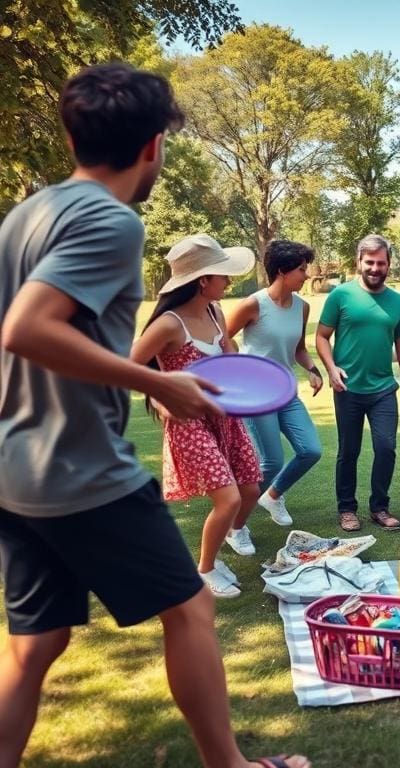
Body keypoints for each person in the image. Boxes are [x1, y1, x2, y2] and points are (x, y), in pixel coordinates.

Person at [0, 63, 309, 768]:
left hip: (13, 465)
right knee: (192, 608)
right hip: (77, 466)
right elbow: (25, 328)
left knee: (39, 640)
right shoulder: (111, 220)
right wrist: (157, 385)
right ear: (152, 146)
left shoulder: (27, 215)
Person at [131, 234, 264, 597]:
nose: (229, 281)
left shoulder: (214, 311)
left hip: (225, 415)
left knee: (251, 488)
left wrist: (242, 367)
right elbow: (130, 367)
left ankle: (226, 540)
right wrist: (160, 402)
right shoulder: (169, 324)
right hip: (189, 421)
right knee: (229, 499)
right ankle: (204, 568)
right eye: (223, 275)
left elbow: (227, 354)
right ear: (203, 280)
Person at [315, 234, 400, 532]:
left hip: (383, 388)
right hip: (348, 388)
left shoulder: (398, 302)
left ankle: (379, 507)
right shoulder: (340, 296)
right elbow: (321, 336)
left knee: (386, 448)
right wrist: (331, 369)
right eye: (369, 262)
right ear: (359, 262)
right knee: (349, 450)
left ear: (389, 264)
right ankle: (347, 509)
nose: (374, 268)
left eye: (380, 263)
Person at [226, 240, 323, 527]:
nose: (307, 275)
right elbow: (224, 337)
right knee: (271, 462)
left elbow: (299, 348)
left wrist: (313, 369)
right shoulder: (253, 304)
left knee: (311, 450)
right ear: (282, 270)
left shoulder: (302, 308)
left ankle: (272, 495)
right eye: (302, 270)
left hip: (286, 392)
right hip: (256, 395)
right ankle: (234, 526)